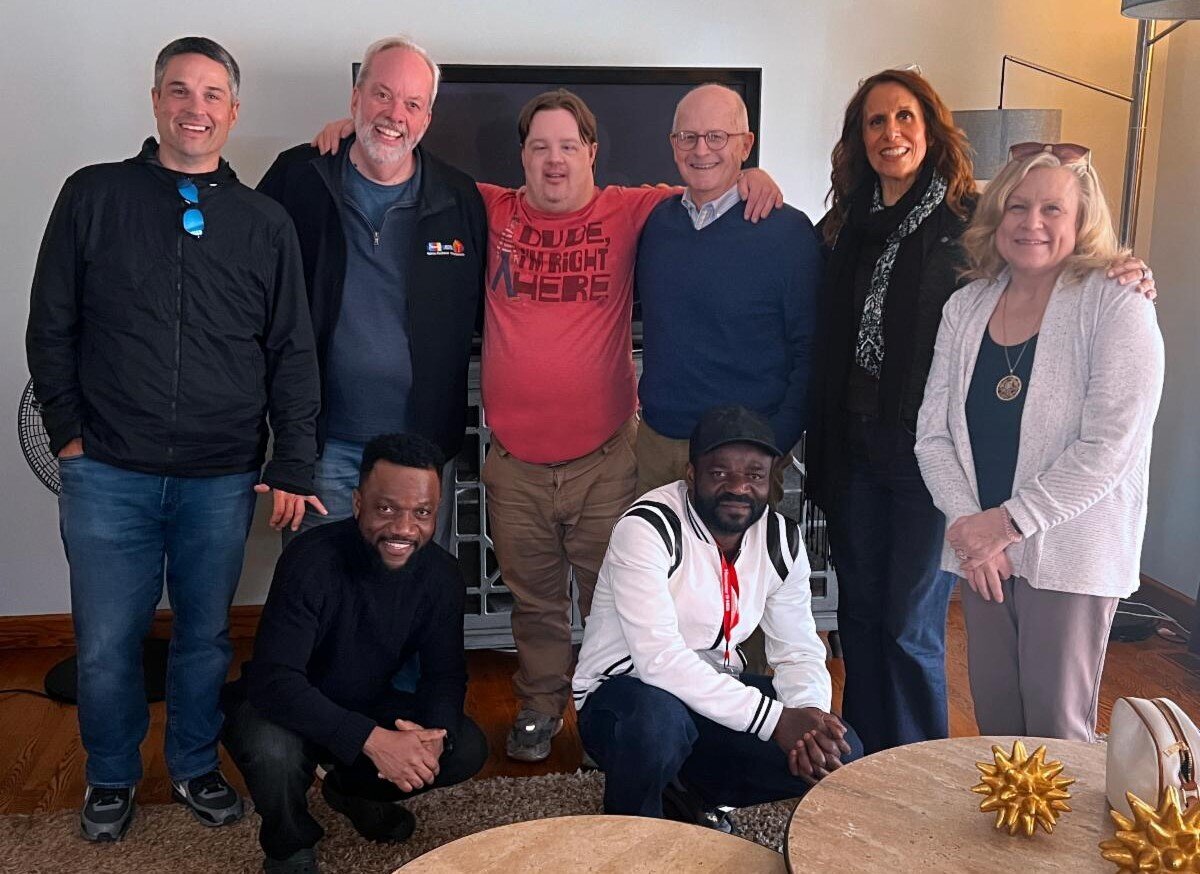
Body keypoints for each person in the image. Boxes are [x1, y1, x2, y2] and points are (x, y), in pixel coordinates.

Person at [311, 88, 783, 761]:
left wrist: (752, 177)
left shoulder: (631, 209)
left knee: (615, 601)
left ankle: (606, 715)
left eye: (567, 146)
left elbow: (706, 183)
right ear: (523, 157)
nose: (554, 160)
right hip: (514, 464)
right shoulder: (488, 206)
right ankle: (538, 705)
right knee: (533, 602)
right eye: (539, 147)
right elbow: (403, 162)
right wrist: (355, 130)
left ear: (591, 151)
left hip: (606, 460)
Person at [805, 69, 1156, 754]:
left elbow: (1054, 262)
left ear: (931, 130)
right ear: (859, 138)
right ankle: (867, 766)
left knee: (909, 625)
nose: (890, 132)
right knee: (861, 617)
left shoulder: (971, 222)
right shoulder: (843, 226)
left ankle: (916, 764)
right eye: (875, 121)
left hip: (926, 462)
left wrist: (1128, 268)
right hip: (855, 449)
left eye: (905, 117)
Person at [25, 37, 321, 841]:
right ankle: (110, 775)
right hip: (106, 471)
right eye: (180, 91)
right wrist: (69, 434)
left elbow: (291, 351)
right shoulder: (93, 195)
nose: (196, 108)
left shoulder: (264, 223)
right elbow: (51, 325)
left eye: (213, 93)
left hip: (220, 477)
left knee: (205, 638)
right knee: (105, 645)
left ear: (234, 111)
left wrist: (292, 458)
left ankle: (193, 764)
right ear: (156, 101)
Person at [914, 144, 1163, 741]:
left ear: (1081, 221)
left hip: (1069, 554)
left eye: (1053, 209)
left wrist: (1006, 525)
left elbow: (1111, 445)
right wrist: (973, 531)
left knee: (1056, 730)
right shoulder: (965, 307)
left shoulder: (1117, 303)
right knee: (998, 726)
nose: (1032, 223)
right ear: (996, 216)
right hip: (983, 555)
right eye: (1017, 206)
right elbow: (933, 435)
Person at [574, 405, 860, 825]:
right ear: (692, 475)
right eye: (720, 472)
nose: (739, 487)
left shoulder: (782, 539)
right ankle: (630, 829)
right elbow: (659, 661)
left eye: (755, 475)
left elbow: (798, 651)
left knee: (843, 748)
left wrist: (809, 721)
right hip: (624, 695)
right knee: (657, 726)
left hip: (712, 690)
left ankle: (691, 796)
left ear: (770, 480)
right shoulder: (647, 527)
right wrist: (775, 721)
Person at [257, 36, 486, 547]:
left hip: (422, 451)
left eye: (412, 104)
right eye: (382, 95)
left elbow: (490, 308)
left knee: (411, 587)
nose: (395, 114)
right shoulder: (299, 178)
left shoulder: (459, 198)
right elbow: (246, 290)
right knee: (321, 585)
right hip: (322, 447)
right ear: (355, 98)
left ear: (427, 119)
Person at [222, 433, 488, 874]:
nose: (404, 528)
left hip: (365, 700)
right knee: (272, 752)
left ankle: (353, 792)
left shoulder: (441, 575)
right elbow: (275, 681)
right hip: (283, 705)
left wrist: (432, 736)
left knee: (464, 746)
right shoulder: (310, 561)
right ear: (358, 502)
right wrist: (373, 740)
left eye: (422, 513)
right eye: (387, 509)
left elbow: (444, 674)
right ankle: (288, 845)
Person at [634, 84, 821, 503]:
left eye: (717, 137)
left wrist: (774, 444)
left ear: (746, 145)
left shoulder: (788, 233)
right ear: (673, 144)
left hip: (744, 452)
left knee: (737, 553)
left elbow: (810, 350)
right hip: (657, 445)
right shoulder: (655, 223)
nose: (701, 150)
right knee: (654, 549)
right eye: (688, 137)